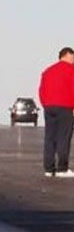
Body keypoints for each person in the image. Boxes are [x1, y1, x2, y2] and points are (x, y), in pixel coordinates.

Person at [39, 47, 74, 178]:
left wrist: (45, 103)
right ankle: (62, 169)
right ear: (66, 56)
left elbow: (41, 89)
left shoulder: (48, 71)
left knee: (50, 137)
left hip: (49, 107)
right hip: (65, 106)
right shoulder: (71, 70)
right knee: (63, 138)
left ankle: (49, 169)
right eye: (72, 57)